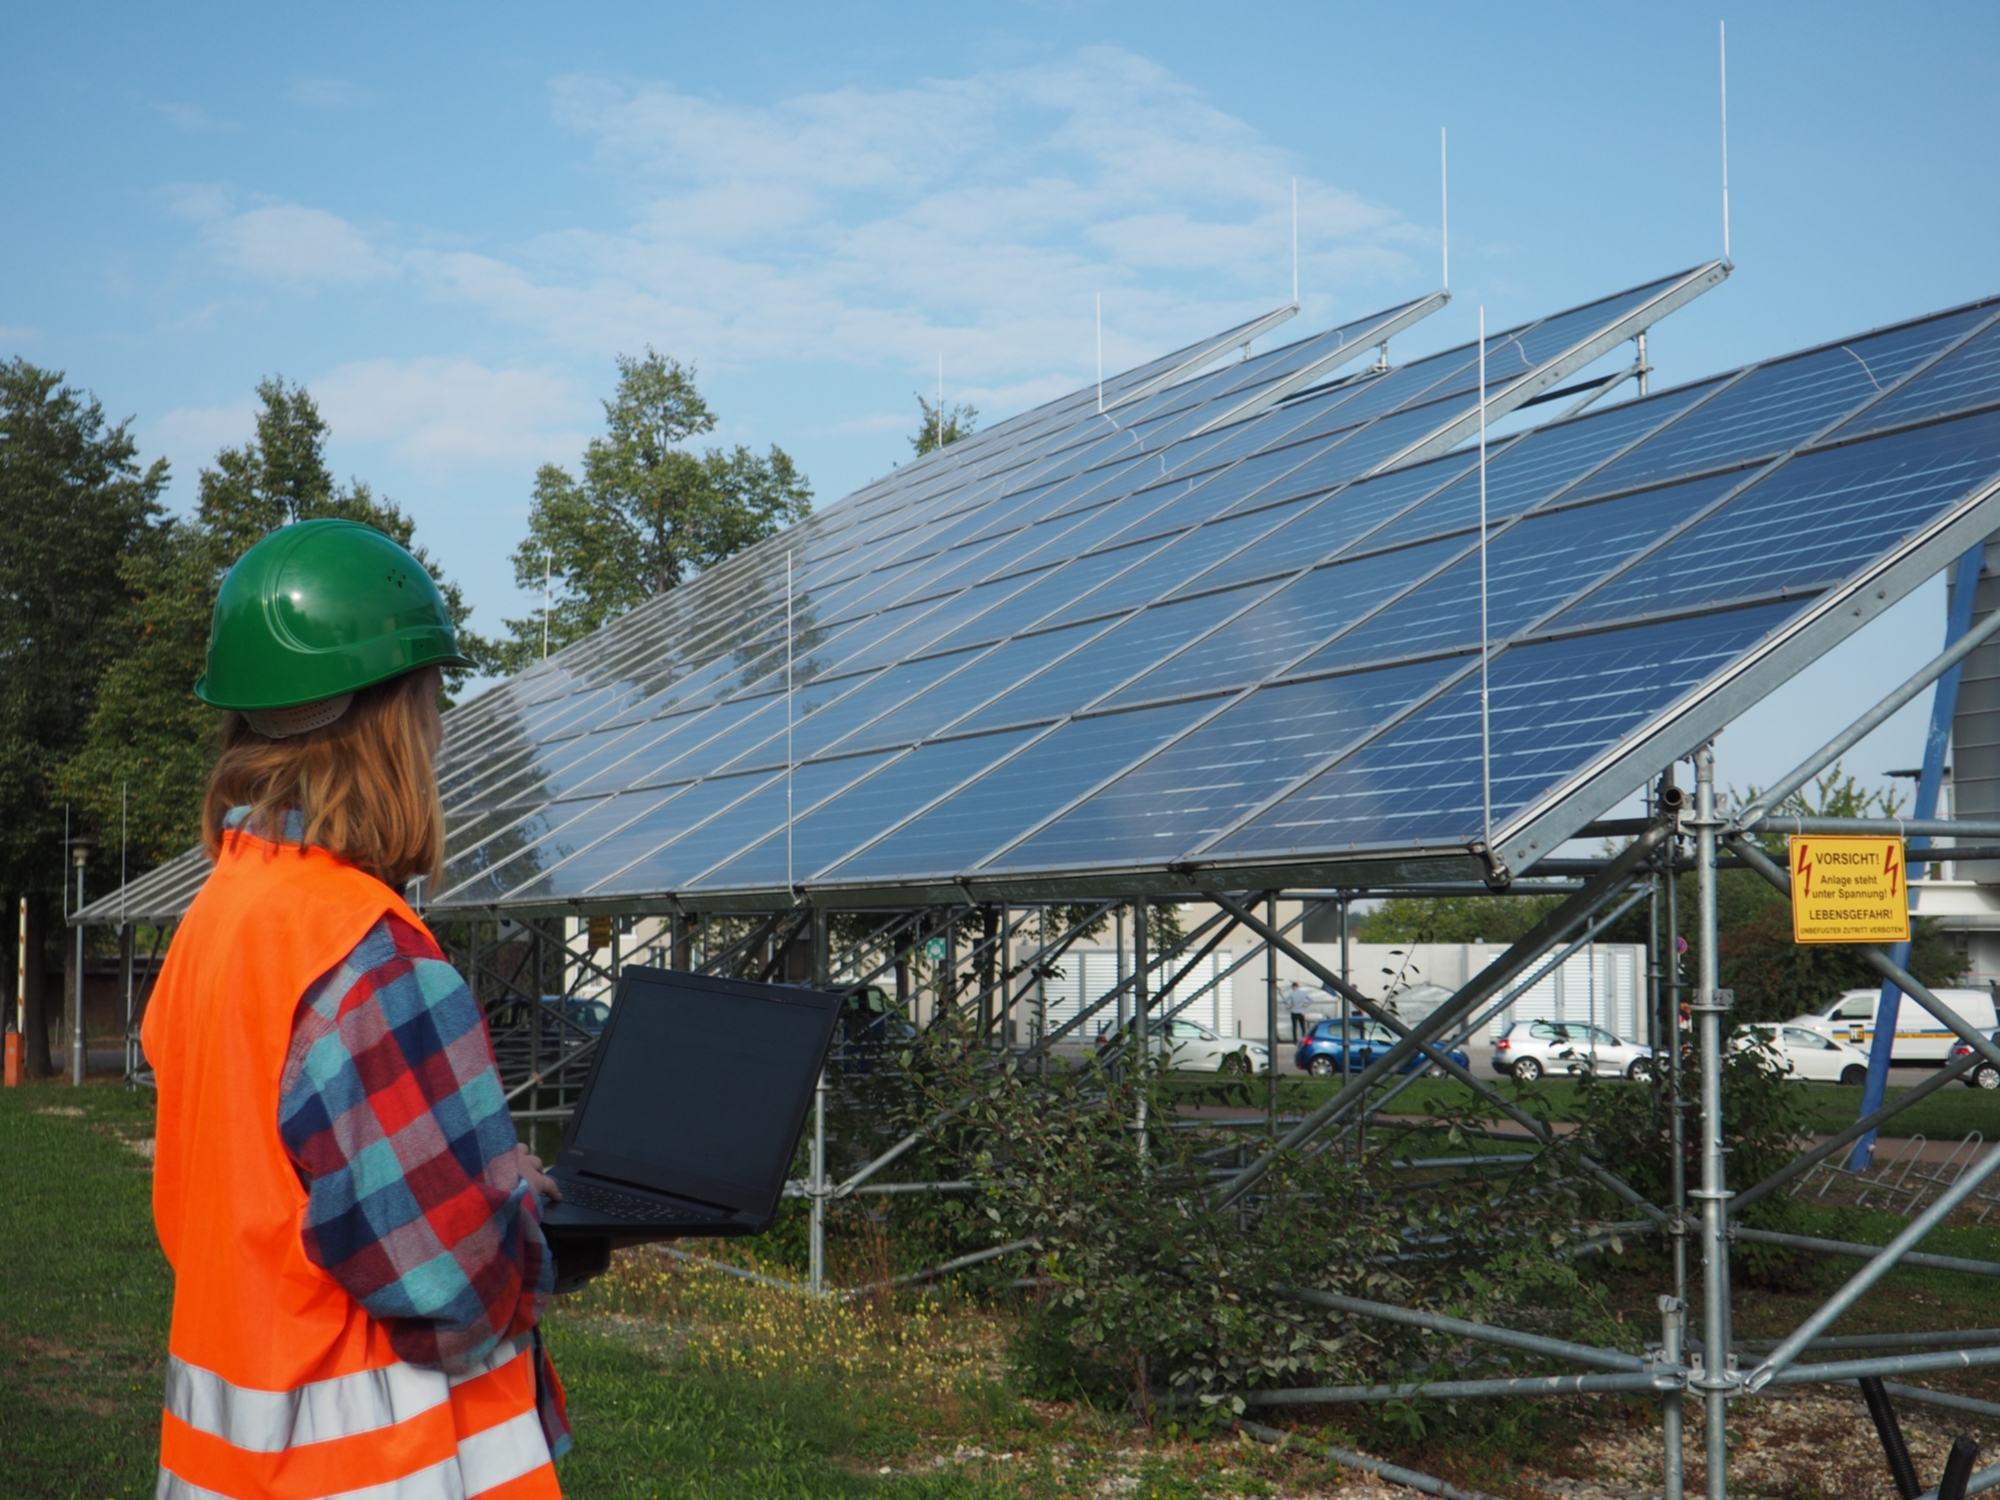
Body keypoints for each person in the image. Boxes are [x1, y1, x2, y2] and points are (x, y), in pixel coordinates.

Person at [143, 519, 569, 1500]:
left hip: (233, 1469)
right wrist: (508, 1211)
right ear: (394, 720)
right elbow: (450, 1283)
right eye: (431, 703)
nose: (439, 730)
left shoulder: (221, 918)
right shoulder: (367, 955)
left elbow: (263, 1192)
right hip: (386, 1472)